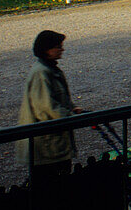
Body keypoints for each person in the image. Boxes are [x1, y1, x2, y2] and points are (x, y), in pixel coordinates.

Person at [17, 30, 84, 182]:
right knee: (50, 183)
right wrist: (71, 116)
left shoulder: (49, 69)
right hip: (46, 144)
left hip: (52, 142)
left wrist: (72, 108)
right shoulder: (41, 73)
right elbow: (46, 108)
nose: (62, 49)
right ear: (47, 49)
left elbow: (58, 99)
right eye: (58, 46)